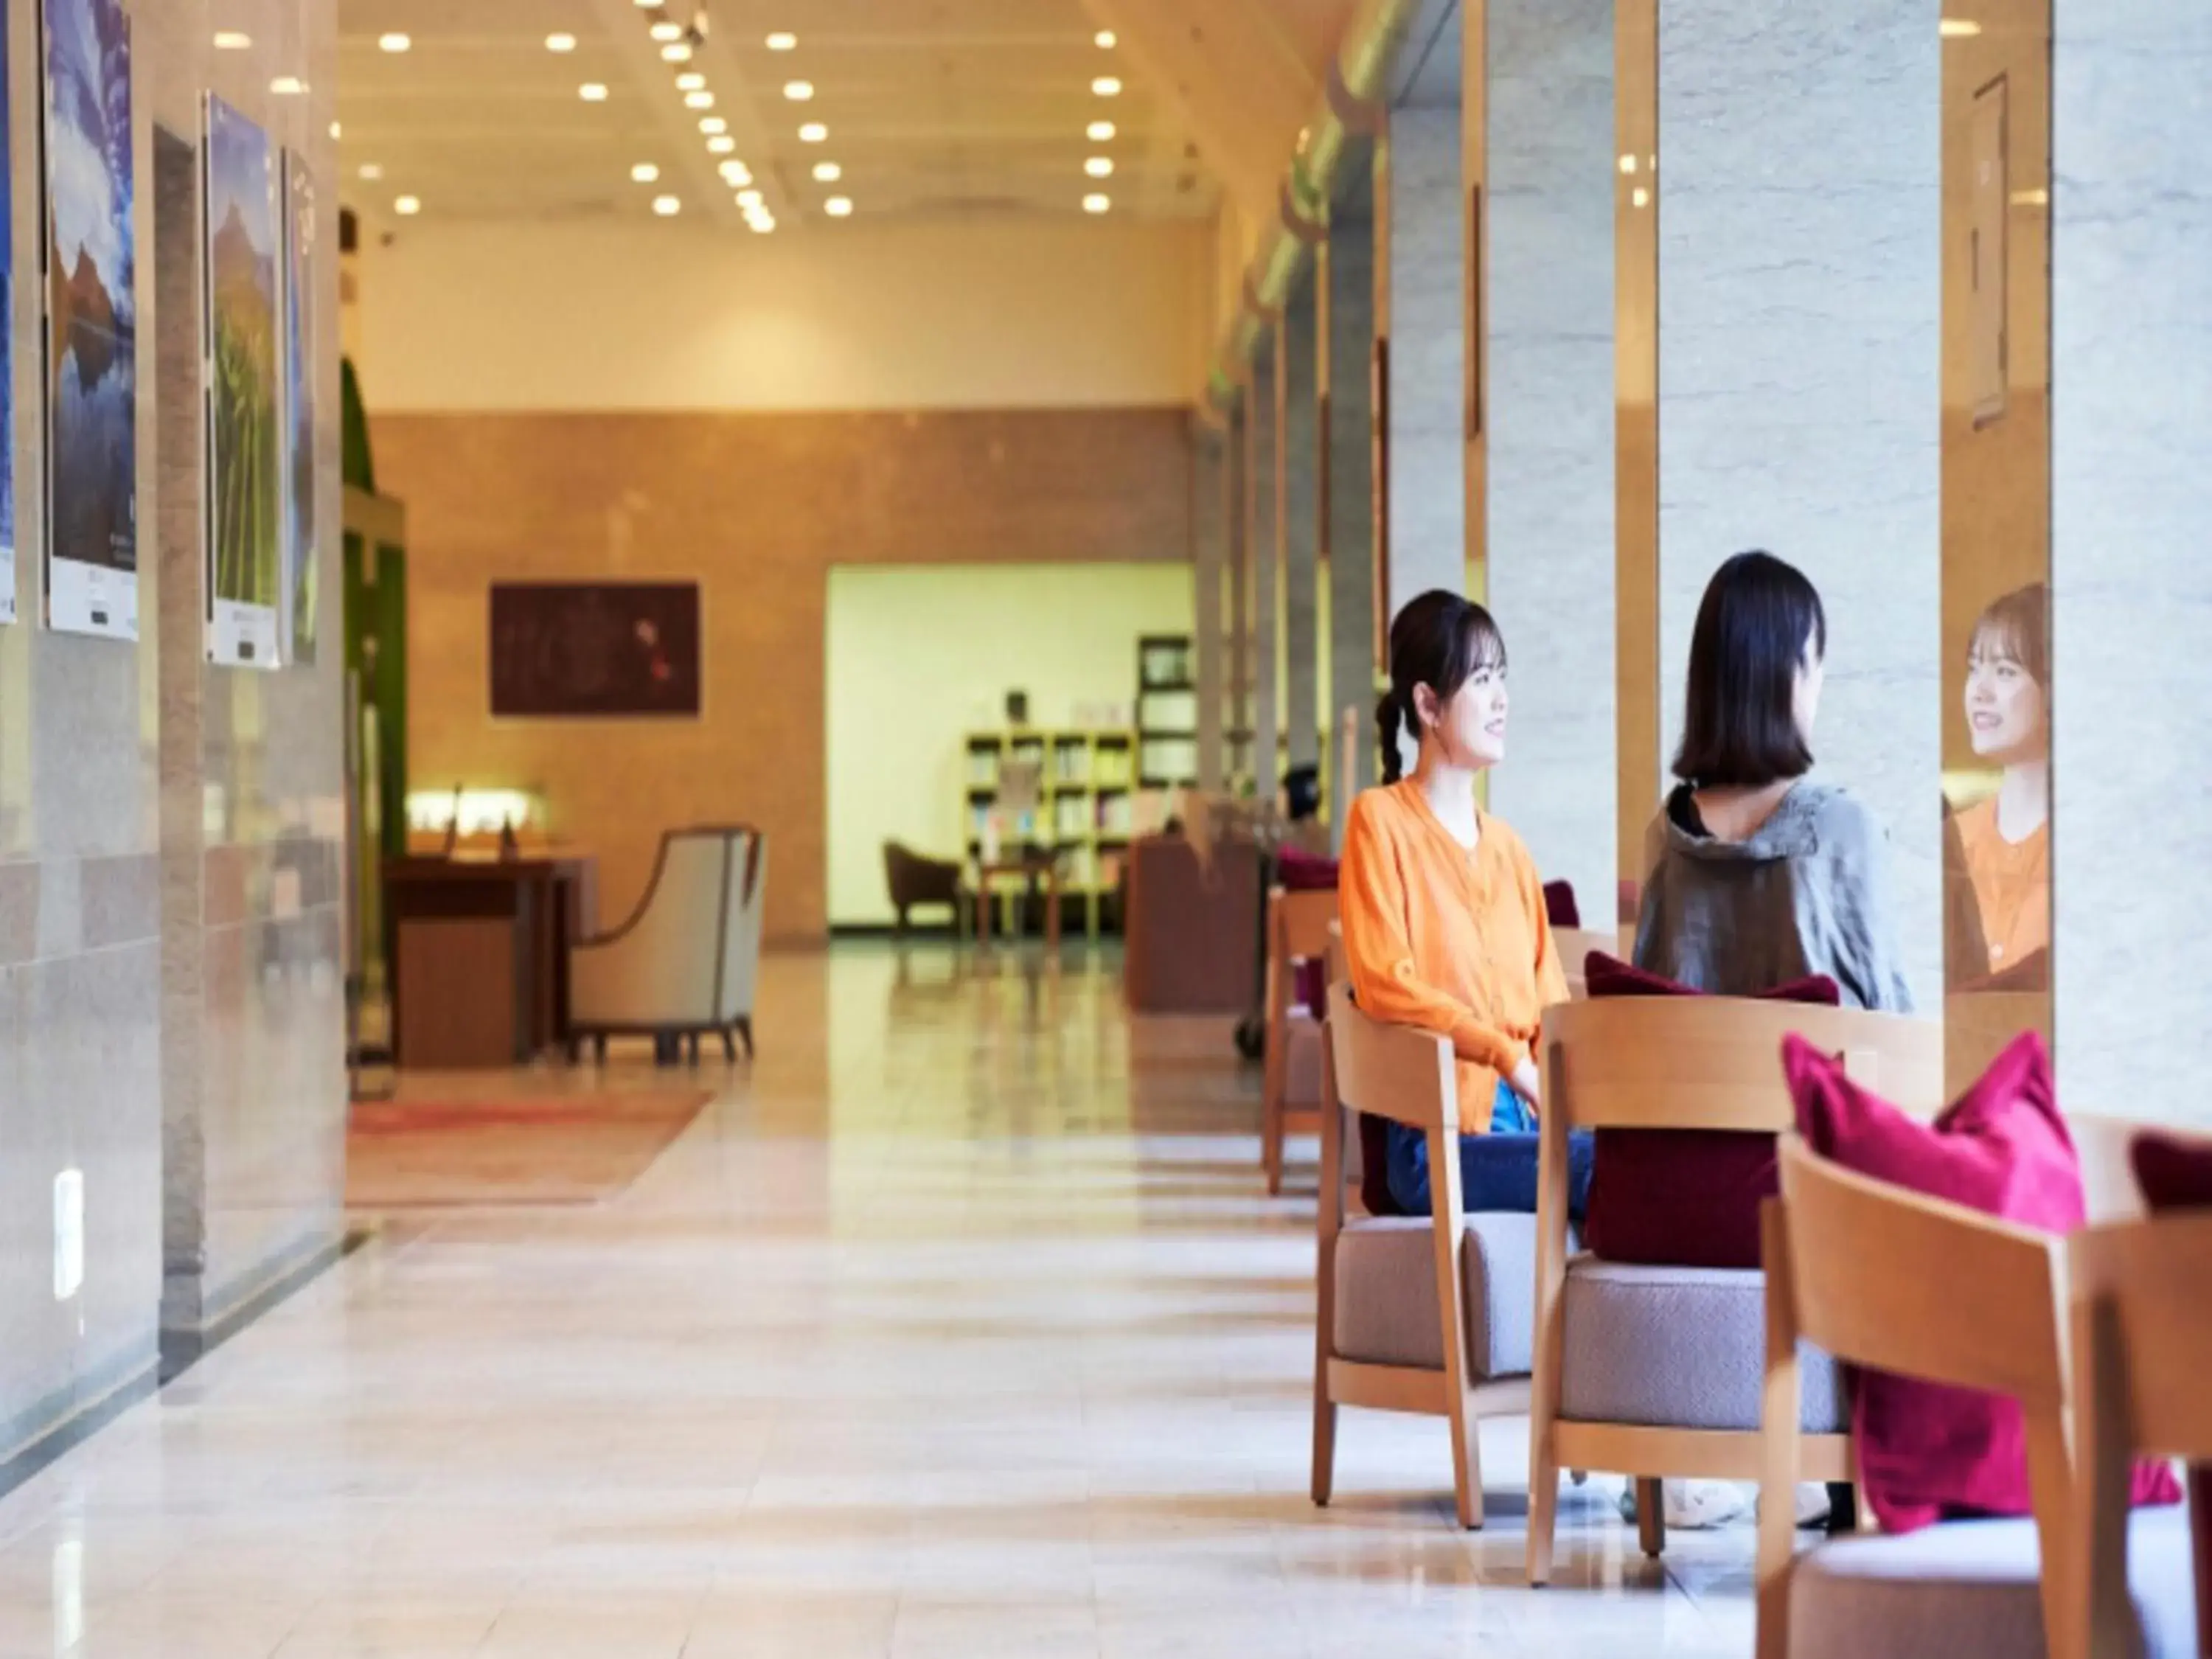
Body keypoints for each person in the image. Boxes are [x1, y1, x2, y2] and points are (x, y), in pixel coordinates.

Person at [1629, 549, 1915, 1531]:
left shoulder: (1663, 843)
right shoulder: (1838, 830)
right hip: (1809, 1210)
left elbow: (1647, 1033)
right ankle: (1867, 1471)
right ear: (1786, 670)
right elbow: (1896, 1036)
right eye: (1816, 660)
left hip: (1677, 1210)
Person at [1338, 590, 1593, 1218]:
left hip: (1526, 1122)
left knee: (1649, 1155)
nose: (1502, 698)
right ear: (1427, 703)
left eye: (1502, 677)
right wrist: (1504, 1055)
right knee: (1620, 1171)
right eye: (1482, 679)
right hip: (1434, 1142)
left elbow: (1550, 1007)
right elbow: (1384, 987)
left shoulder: (1510, 849)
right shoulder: (1379, 822)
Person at [1947, 584, 2049, 988]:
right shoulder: (1951, 837)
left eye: (2005, 671)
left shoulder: (2097, 844)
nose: (1980, 691)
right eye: (1974, 668)